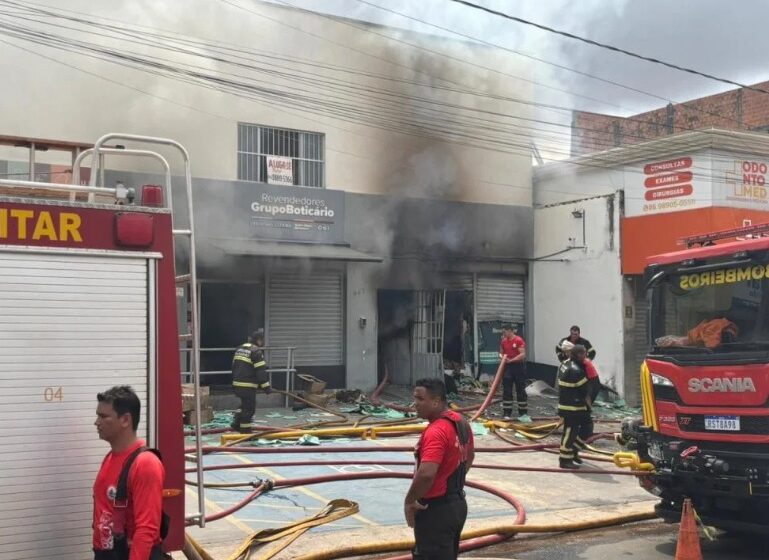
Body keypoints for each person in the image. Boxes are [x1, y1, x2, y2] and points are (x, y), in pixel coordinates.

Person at [405, 378, 475, 559]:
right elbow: (469, 457)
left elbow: (427, 473)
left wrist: (410, 500)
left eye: (420, 399)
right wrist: (449, 479)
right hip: (457, 505)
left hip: (435, 512)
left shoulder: (436, 432)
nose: (415, 404)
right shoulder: (461, 422)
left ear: (436, 401)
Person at [93, 385, 166, 559]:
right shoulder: (110, 458)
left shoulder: (145, 464)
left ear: (125, 420)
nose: (97, 422)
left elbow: (147, 529)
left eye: (103, 416)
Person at [556, 344, 591, 469]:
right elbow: (584, 391)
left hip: (569, 404)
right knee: (570, 432)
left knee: (588, 427)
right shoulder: (577, 370)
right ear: (578, 354)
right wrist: (589, 404)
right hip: (572, 407)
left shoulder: (565, 363)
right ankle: (564, 460)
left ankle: (573, 451)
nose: (586, 356)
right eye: (584, 353)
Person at [231, 329, 271, 433]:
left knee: (244, 405)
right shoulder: (256, 351)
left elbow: (234, 366)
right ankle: (245, 430)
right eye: (262, 341)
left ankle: (236, 423)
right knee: (249, 409)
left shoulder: (240, 348)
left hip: (237, 383)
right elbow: (261, 371)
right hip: (247, 385)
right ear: (258, 340)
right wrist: (266, 387)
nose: (263, 343)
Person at [498, 324, 530, 422]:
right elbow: (501, 352)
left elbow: (523, 354)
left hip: (518, 367)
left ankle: (523, 413)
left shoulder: (518, 340)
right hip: (507, 367)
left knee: (520, 389)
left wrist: (511, 360)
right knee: (507, 390)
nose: (504, 334)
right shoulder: (504, 341)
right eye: (503, 332)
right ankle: (507, 412)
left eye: (505, 332)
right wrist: (502, 357)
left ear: (511, 331)